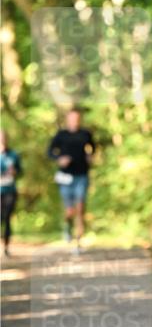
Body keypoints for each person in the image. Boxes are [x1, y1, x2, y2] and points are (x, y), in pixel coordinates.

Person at [47, 108, 95, 252]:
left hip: (82, 175)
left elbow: (93, 148)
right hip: (65, 177)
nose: (75, 121)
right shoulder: (61, 135)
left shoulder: (85, 134)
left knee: (80, 208)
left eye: (77, 118)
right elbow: (50, 152)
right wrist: (59, 159)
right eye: (72, 119)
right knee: (70, 210)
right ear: (68, 120)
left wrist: (90, 156)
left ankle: (78, 242)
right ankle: (67, 228)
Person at [0, 129, 22, 257]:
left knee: (7, 217)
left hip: (10, 191)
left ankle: (6, 246)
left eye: (3, 138)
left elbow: (20, 170)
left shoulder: (13, 155)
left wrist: (15, 172)